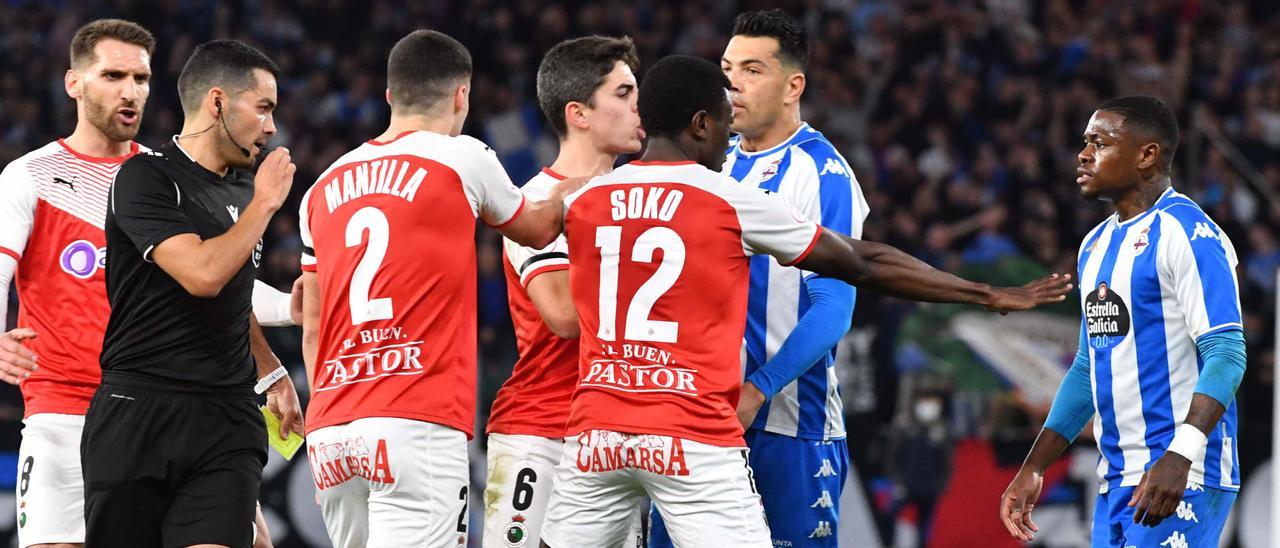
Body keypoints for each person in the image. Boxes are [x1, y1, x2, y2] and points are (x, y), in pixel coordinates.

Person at [541, 54, 1071, 548]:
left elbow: (523, 233)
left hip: (596, 436)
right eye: (725, 123)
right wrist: (983, 292)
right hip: (691, 433)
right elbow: (861, 262)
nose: (730, 139)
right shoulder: (726, 197)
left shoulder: (585, 199)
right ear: (699, 124)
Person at [0, 21, 291, 548]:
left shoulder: (169, 176)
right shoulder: (30, 177)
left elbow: (228, 285)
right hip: (66, 411)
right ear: (74, 84)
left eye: (141, 77)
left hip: (177, 405)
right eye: (113, 75)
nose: (130, 91)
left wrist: (271, 367)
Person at [298, 29, 580, 547]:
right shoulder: (462, 157)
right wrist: (574, 189)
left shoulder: (322, 187)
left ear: (389, 95)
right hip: (416, 418)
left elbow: (312, 325)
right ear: (461, 95)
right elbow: (538, 229)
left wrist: (321, 427)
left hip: (334, 427)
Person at [649, 10, 868, 546]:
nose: (733, 85)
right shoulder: (708, 167)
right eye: (726, 69)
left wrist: (758, 389)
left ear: (794, 85)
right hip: (699, 419)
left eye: (752, 70)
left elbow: (833, 308)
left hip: (788, 426)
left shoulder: (820, 173)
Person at [80, 39, 303, 548]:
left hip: (226, 417)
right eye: (263, 108)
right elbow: (202, 276)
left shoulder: (246, 190)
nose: (271, 127)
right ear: (218, 102)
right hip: (138, 407)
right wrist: (264, 206)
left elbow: (232, 288)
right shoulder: (145, 178)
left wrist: (270, 370)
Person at [1000, 95, 1246, 547]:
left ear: (1147, 155)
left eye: (1100, 142)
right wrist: (1035, 465)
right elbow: (1088, 368)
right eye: (1084, 142)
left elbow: (1227, 353)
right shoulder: (1094, 245)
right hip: (1117, 481)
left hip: (1180, 475)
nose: (1084, 153)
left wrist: (1180, 454)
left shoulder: (1188, 233)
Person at [482, 35, 644, 548]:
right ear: (579, 113)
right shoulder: (533, 203)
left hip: (620, 439)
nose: (639, 105)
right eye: (623, 93)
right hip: (543, 432)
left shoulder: (646, 205)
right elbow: (563, 315)